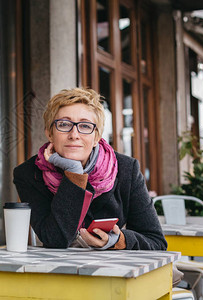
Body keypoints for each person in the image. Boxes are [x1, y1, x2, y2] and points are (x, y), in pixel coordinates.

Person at [13, 87, 167, 250]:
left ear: (97, 137)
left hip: (114, 270)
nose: (74, 134)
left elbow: (156, 242)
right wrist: (74, 173)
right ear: (50, 133)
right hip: (58, 271)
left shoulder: (126, 169)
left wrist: (118, 240)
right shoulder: (29, 174)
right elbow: (55, 239)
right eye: (64, 124)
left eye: (85, 126)